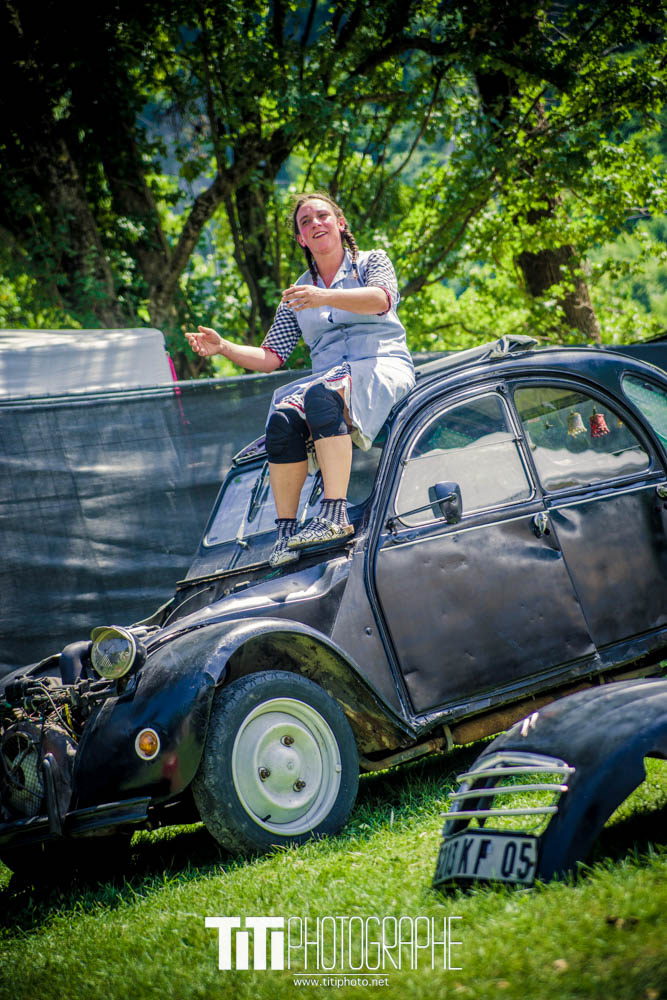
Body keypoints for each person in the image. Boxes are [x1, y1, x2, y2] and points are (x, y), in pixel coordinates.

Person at [185, 192, 415, 568]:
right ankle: (286, 531)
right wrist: (223, 347)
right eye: (305, 222)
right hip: (330, 381)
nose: (315, 224)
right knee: (281, 421)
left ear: (340, 224)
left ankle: (335, 515)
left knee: (321, 396)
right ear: (301, 239)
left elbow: (381, 300)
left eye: (322, 216)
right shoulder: (297, 291)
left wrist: (324, 296)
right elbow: (271, 357)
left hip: (380, 366)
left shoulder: (372, 261)